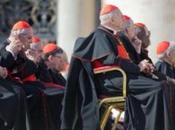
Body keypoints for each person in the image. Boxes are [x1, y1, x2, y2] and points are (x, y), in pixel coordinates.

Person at [61, 4, 172, 130]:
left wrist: (140, 61)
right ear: (112, 20)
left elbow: (125, 60)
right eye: (120, 17)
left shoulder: (114, 36)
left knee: (165, 84)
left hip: (122, 77)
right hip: (113, 81)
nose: (123, 20)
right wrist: (138, 68)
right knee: (158, 87)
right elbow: (112, 60)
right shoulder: (99, 35)